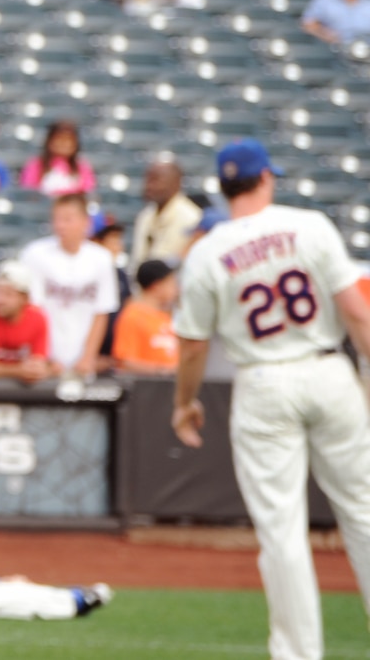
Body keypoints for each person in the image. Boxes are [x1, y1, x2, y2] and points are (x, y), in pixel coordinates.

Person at [172, 138, 370, 660]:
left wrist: (183, 403)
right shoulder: (310, 226)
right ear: (265, 179)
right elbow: (358, 313)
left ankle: (299, 655)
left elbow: (192, 345)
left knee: (282, 533)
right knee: (365, 512)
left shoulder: (208, 250)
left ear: (222, 187)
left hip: (262, 379)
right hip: (327, 367)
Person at [19, 193, 118, 376]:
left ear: (85, 222)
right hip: (45, 359)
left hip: (81, 356)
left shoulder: (101, 258)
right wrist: (44, 355)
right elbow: (33, 308)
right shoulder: (36, 253)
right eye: (56, 219)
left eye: (67, 219)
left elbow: (102, 311)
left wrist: (88, 357)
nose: (60, 225)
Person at [109, 259, 179, 376]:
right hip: (145, 388)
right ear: (156, 286)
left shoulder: (165, 316)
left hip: (168, 387)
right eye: (171, 283)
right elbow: (125, 361)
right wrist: (163, 371)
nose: (176, 290)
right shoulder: (132, 316)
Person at [133, 158, 203, 265]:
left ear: (176, 183)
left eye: (155, 180)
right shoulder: (145, 216)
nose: (149, 186)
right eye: (147, 180)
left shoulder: (191, 218)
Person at [20, 119, 95, 197]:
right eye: (59, 139)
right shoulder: (36, 164)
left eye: (68, 140)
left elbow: (88, 191)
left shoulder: (81, 166)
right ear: (49, 141)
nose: (63, 144)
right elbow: (29, 192)